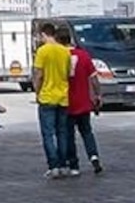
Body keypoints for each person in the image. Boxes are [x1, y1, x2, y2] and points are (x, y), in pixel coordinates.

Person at [32, 19, 76, 177]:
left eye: (41, 36)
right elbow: (69, 73)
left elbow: (38, 75)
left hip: (47, 97)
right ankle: (64, 164)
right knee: (62, 132)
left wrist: (37, 92)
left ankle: (53, 166)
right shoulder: (65, 51)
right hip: (63, 97)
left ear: (44, 34)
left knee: (48, 133)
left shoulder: (42, 51)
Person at [67, 32, 105, 175]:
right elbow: (94, 78)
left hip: (67, 102)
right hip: (83, 101)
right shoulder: (84, 55)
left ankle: (73, 165)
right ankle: (93, 157)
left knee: (69, 135)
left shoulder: (60, 57)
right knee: (87, 132)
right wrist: (97, 95)